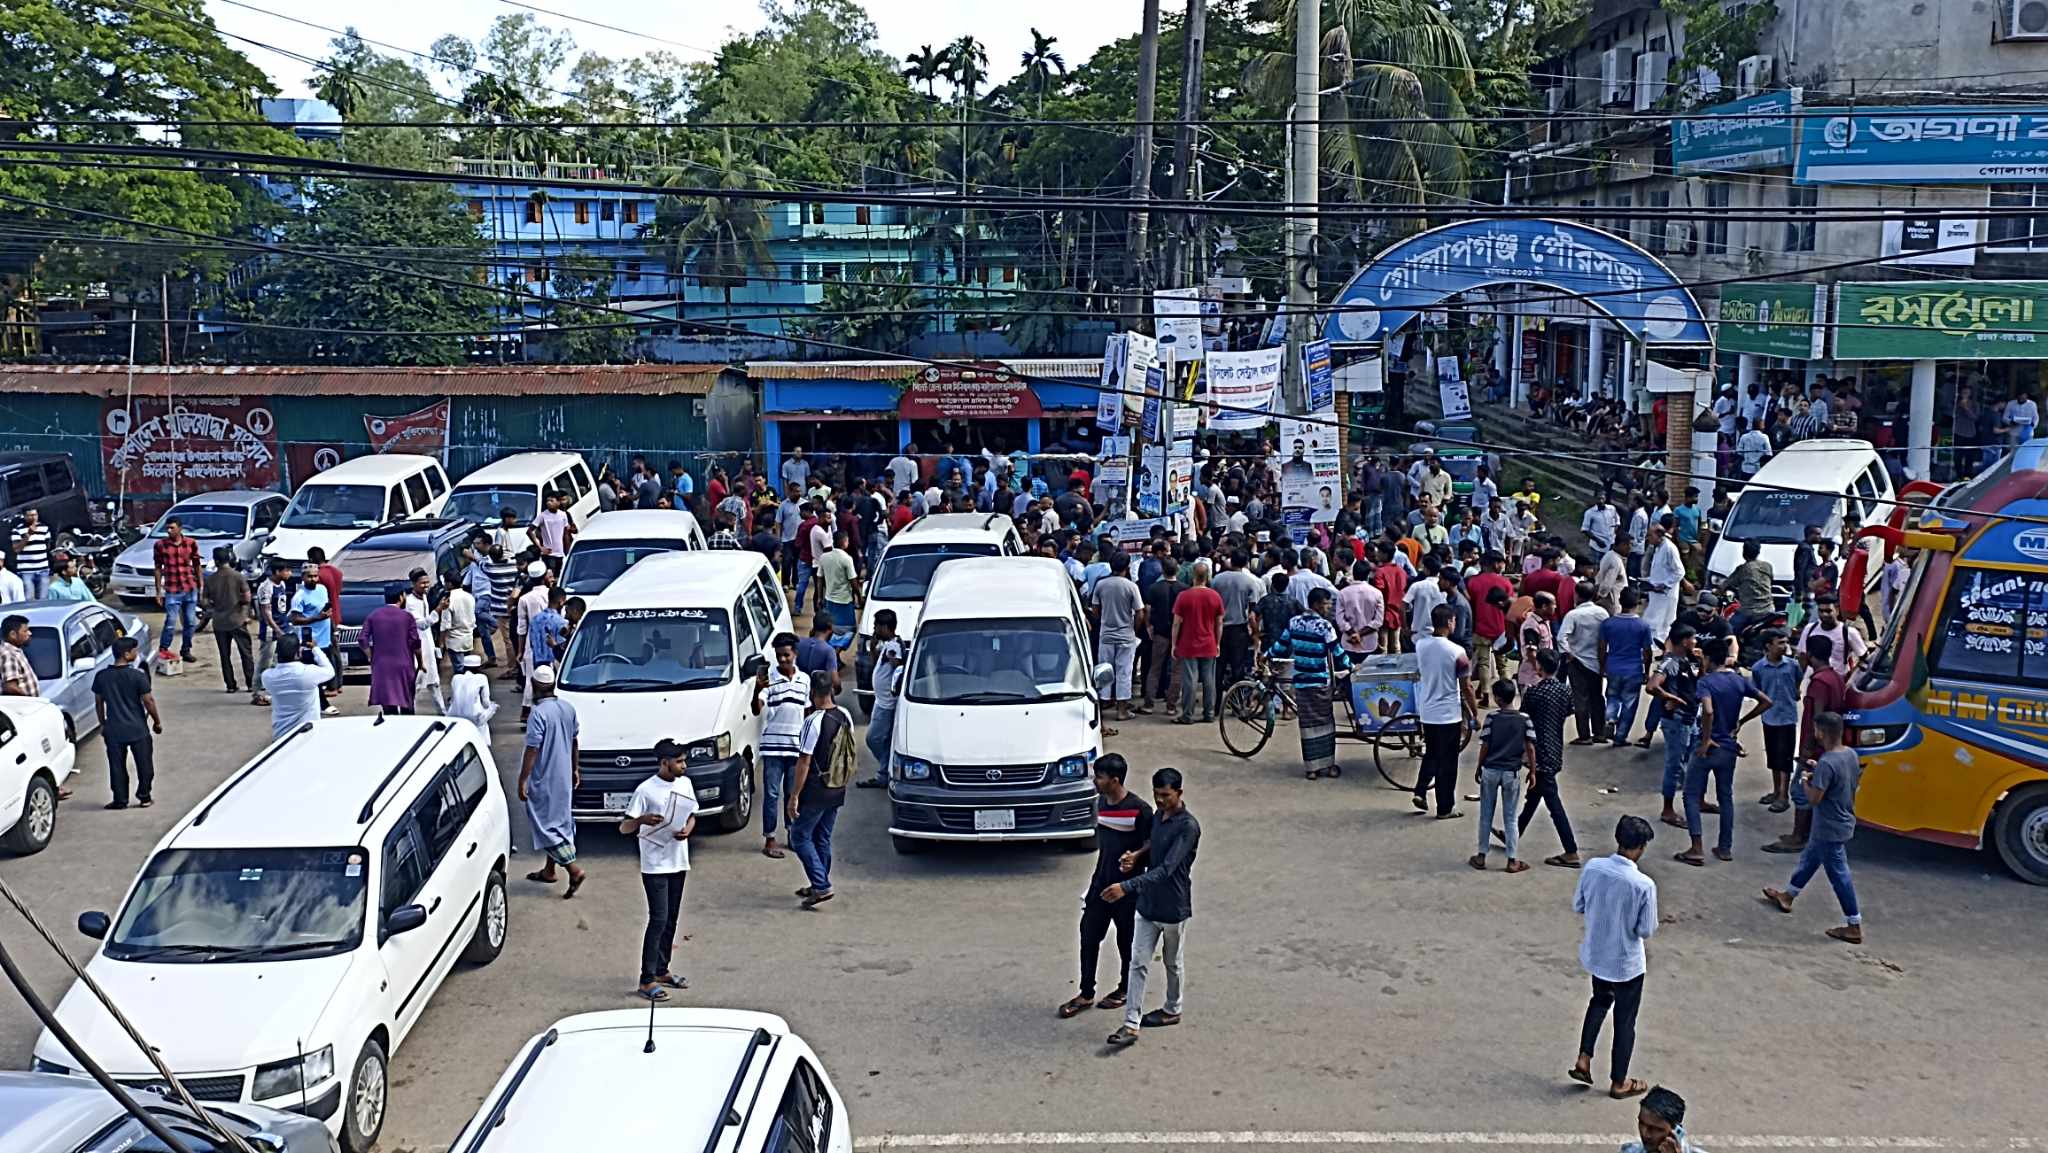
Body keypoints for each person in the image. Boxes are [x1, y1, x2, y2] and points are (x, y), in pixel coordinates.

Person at [1102, 766, 1200, 1047]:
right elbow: (1152, 847)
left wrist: (1126, 886)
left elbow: (1167, 869)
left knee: (1172, 962)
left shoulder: (1188, 827)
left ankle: (1173, 1008)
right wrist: (1137, 855)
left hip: (1173, 907)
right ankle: (1131, 1024)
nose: (1160, 801)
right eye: (1156, 795)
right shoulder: (1159, 817)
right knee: (1138, 963)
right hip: (1147, 906)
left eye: (1166, 795)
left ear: (1179, 793)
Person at [1571, 814, 1658, 1100]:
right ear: (1641, 847)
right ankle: (1619, 1081)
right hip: (1626, 962)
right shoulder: (1642, 884)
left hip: (1599, 954)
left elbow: (1579, 904)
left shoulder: (1594, 867)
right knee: (1625, 1020)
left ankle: (1584, 1057)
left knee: (1598, 1001)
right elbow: (1645, 929)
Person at [1060, 754, 1152, 1019]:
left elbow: (1153, 843)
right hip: (1100, 884)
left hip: (1126, 890)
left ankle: (1124, 989)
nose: (1094, 781)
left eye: (1099, 777)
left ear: (1114, 780)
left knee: (1126, 941)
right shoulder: (1101, 803)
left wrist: (1136, 856)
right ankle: (1086, 992)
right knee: (1088, 936)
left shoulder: (1140, 810)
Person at [1761, 710, 1865, 943]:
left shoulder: (1828, 763)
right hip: (1841, 819)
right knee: (1810, 858)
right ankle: (1788, 895)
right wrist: (1818, 770)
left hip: (1829, 825)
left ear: (1821, 732)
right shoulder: (1848, 754)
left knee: (1839, 874)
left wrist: (1808, 780)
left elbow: (1814, 799)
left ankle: (1854, 924)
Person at [1677, 636, 1769, 866]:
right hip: (1728, 746)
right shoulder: (1738, 680)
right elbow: (1766, 701)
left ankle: (1696, 848)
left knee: (1690, 794)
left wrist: (1706, 739)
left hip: (1707, 746)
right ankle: (1725, 847)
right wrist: (1741, 722)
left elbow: (1707, 711)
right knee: (1725, 796)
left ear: (1707, 659)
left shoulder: (1706, 682)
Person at [1764, 633, 1847, 855]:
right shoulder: (1836, 678)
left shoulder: (1819, 683)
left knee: (1800, 791)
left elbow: (1818, 720)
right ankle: (1806, 834)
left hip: (1817, 749)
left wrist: (1807, 750)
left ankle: (1798, 837)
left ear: (1809, 655)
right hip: (1830, 745)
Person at [519, 666, 586, 897]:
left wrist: (523, 779)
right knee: (559, 821)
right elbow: (575, 740)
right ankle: (549, 871)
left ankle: (573, 869)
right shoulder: (567, 708)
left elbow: (532, 749)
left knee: (545, 825)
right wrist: (575, 768)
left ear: (535, 687)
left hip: (545, 778)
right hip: (564, 777)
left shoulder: (538, 713)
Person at [787, 670, 852, 909]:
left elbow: (804, 762)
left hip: (816, 789)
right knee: (822, 837)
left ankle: (821, 885)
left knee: (800, 836)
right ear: (832, 691)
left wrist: (794, 796)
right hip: (837, 787)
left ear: (812, 692)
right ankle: (819, 881)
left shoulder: (813, 722)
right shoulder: (845, 716)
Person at [1512, 648, 1581, 867]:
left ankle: (1571, 851)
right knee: (1534, 795)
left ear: (1539, 667)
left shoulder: (1533, 693)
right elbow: (1569, 711)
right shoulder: (1564, 691)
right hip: (1554, 749)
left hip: (1538, 752)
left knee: (1552, 803)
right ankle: (1513, 833)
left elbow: (1523, 720)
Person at [1276, 587, 1350, 781]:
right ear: (1317, 605)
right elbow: (1337, 652)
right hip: (1319, 682)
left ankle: (1311, 768)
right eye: (1327, 604)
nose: (1328, 608)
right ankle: (1328, 765)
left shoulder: (1294, 623)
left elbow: (1281, 646)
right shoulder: (1324, 627)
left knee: (1307, 725)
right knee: (1325, 723)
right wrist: (1351, 667)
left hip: (1301, 683)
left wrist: (1267, 656)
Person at [1413, 604, 1477, 819]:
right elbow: (1466, 685)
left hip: (1428, 709)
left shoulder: (1421, 645)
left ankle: (1421, 790)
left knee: (1432, 752)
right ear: (1450, 622)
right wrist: (1474, 712)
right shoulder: (1457, 652)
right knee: (1448, 762)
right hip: (1449, 713)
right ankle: (1445, 807)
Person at [755, 633, 809, 859]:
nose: (783, 660)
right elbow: (757, 708)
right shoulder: (769, 678)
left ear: (795, 654)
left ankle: (791, 834)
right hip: (773, 747)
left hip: (795, 747)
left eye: (786, 655)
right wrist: (756, 689)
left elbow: (807, 711)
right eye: (779, 656)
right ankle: (770, 838)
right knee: (772, 794)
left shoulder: (805, 680)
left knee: (791, 794)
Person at [1470, 679, 1533, 872]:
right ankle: (1512, 860)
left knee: (1485, 815)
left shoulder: (1491, 718)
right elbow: (1530, 747)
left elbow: (1485, 745)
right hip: (1511, 772)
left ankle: (1481, 856)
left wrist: (1479, 766)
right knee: (1511, 818)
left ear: (1497, 699)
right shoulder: (1524, 719)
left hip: (1491, 770)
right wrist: (1533, 770)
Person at [90, 637, 159, 810]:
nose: (136, 654)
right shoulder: (137, 676)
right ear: (126, 654)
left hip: (114, 729)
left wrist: (103, 723)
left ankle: (120, 800)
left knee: (116, 766)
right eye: (134, 651)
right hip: (137, 728)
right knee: (144, 765)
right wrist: (157, 721)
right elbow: (148, 701)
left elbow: (99, 702)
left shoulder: (102, 677)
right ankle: (144, 797)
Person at [1647, 625, 1701, 827]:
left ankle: (1695, 800)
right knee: (1675, 765)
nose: (1695, 642)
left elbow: (1698, 682)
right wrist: (1671, 698)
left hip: (1690, 718)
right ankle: (1668, 809)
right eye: (1693, 639)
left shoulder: (1690, 660)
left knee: (1689, 761)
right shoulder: (1670, 662)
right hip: (1676, 721)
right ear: (1685, 641)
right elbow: (1652, 686)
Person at [1094, 553, 1144, 733]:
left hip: (1106, 634)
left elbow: (1095, 608)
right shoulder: (1131, 586)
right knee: (1124, 671)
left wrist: (1104, 621)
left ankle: (1105, 702)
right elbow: (1140, 613)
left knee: (1105, 670)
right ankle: (1122, 710)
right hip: (1126, 635)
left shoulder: (1101, 584)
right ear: (1127, 567)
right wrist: (1134, 629)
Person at [1751, 630, 1801, 813]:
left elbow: (1797, 685)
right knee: (1773, 757)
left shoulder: (1792, 665)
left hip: (1787, 718)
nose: (1784, 646)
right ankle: (1776, 790)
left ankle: (1783, 796)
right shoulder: (1758, 668)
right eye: (1780, 642)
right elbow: (1758, 691)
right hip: (1770, 718)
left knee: (1786, 758)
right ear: (1768, 646)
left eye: (1785, 642)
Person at [1171, 558, 1224, 725]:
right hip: (1208, 642)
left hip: (1188, 644)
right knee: (1209, 680)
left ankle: (1187, 714)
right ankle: (1209, 713)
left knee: (1190, 680)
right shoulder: (1215, 596)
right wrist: (1217, 643)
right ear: (1207, 576)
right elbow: (1219, 622)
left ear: (1193, 576)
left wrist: (1174, 644)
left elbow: (1176, 623)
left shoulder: (1183, 596)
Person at [1599, 589, 1655, 748]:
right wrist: (1646, 670)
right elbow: (1647, 652)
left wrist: (1603, 666)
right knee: (1629, 704)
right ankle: (1620, 737)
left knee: (1612, 696)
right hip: (1633, 669)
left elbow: (1602, 648)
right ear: (1637, 604)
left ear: (1620, 601)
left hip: (1613, 667)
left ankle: (1610, 718)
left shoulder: (1608, 623)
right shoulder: (1643, 626)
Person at [1557, 580, 1609, 743]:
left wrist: (1569, 654)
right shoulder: (1602, 613)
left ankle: (1584, 735)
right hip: (1597, 661)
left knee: (1580, 698)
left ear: (1576, 595)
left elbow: (1561, 638)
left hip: (1577, 661)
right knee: (1597, 697)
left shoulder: (1573, 615)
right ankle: (1600, 732)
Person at [859, 610, 906, 788]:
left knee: (873, 738)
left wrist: (893, 660)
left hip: (887, 703)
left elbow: (897, 666)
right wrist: (873, 649)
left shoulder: (894, 647)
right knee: (885, 739)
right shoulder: (888, 645)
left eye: (877, 626)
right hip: (881, 700)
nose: (874, 629)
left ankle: (887, 768)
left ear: (885, 627)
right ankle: (883, 773)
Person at [361, 585, 421, 717]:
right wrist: (421, 663)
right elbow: (415, 642)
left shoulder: (373, 615)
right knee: (407, 704)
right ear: (401, 597)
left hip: (381, 666)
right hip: (403, 665)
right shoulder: (407, 617)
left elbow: (362, 639)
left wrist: (371, 656)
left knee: (388, 707)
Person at [287, 561, 338, 717]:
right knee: (313, 676)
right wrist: (316, 618)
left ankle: (313, 700)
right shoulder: (299, 596)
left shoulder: (322, 589)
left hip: (325, 639)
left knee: (326, 673)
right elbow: (294, 619)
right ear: (303, 577)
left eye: (316, 576)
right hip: (310, 641)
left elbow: (326, 610)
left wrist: (332, 626)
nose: (313, 579)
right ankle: (323, 704)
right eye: (310, 577)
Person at [201, 547, 254, 695]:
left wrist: (215, 604)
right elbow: (247, 598)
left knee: (225, 655)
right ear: (229, 559)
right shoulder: (238, 576)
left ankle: (230, 685)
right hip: (237, 620)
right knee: (246, 653)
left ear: (216, 561)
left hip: (219, 622)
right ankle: (250, 683)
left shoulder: (211, 579)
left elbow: (204, 601)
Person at [261, 634, 332, 739]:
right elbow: (330, 671)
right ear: (298, 653)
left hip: (280, 734)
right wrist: (315, 649)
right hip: (308, 733)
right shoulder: (307, 673)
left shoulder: (267, 676)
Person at [153, 517, 202, 662]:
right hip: (172, 590)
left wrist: (201, 585)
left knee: (191, 622)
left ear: (180, 528)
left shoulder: (191, 543)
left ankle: (186, 649)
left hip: (189, 588)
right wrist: (158, 591)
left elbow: (197, 564)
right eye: (167, 528)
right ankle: (163, 649)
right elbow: (157, 568)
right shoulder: (160, 545)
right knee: (171, 622)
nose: (169, 531)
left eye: (172, 528)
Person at [1211, 552, 1262, 686]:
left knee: (1218, 668)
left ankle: (1215, 704)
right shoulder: (1250, 582)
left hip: (1218, 628)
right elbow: (1252, 613)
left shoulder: (1217, 579)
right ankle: (1236, 702)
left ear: (1231, 562)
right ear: (1246, 563)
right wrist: (1256, 633)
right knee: (1238, 668)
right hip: (1239, 630)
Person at [1642, 522, 1684, 645]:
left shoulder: (1670, 548)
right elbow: (1661, 571)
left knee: (1662, 624)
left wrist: (1664, 584)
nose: (1648, 538)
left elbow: (1680, 572)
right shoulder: (1658, 548)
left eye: (1650, 535)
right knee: (1652, 621)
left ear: (1659, 535)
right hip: (1655, 592)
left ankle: (1659, 647)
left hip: (1666, 594)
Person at [815, 530, 860, 634]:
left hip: (829, 599)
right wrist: (859, 597)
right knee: (849, 630)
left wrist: (819, 597)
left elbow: (819, 579)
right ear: (844, 542)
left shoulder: (824, 557)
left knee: (830, 628)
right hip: (844, 601)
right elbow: (853, 581)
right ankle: (837, 649)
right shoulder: (847, 559)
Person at [446, 652, 498, 732]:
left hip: (454, 714)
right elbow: (486, 703)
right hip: (474, 716)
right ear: (479, 667)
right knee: (484, 726)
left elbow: (454, 699)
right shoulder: (482, 678)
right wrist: (492, 706)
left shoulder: (456, 678)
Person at [10, 509, 51, 600]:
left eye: (35, 515)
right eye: (30, 515)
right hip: (26, 571)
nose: (33, 517)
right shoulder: (17, 530)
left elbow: (47, 546)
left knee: (43, 599)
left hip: (43, 569)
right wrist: (28, 535)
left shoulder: (44, 528)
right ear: (25, 517)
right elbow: (17, 549)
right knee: (29, 599)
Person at [0, 615, 32, 698]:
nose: (29, 633)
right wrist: (31, 700)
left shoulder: (15, 650)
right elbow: (10, 687)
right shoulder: (8, 655)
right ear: (13, 634)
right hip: (25, 708)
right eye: (25, 631)